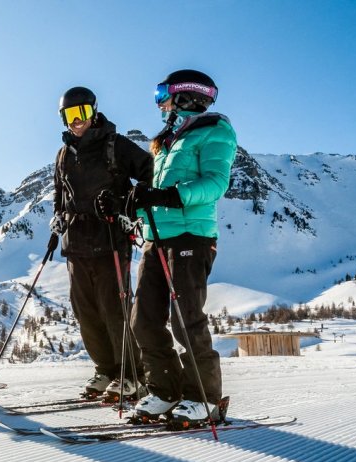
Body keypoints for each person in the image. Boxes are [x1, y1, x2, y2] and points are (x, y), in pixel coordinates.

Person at [124, 69, 238, 426]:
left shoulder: (215, 131)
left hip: (192, 236)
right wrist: (132, 204)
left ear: (187, 96)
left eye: (163, 94)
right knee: (143, 319)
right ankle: (164, 390)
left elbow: (215, 183)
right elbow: (156, 193)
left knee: (185, 318)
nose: (160, 103)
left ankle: (203, 397)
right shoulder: (169, 139)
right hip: (157, 238)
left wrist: (171, 195)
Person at [52, 86, 153, 400]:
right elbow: (60, 193)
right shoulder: (64, 153)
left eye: (81, 113)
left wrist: (127, 207)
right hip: (75, 243)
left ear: (93, 112)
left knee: (115, 309)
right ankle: (106, 370)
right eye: (69, 115)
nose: (75, 121)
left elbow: (151, 173)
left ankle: (131, 374)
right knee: (86, 311)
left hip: (110, 237)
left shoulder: (116, 146)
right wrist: (58, 216)